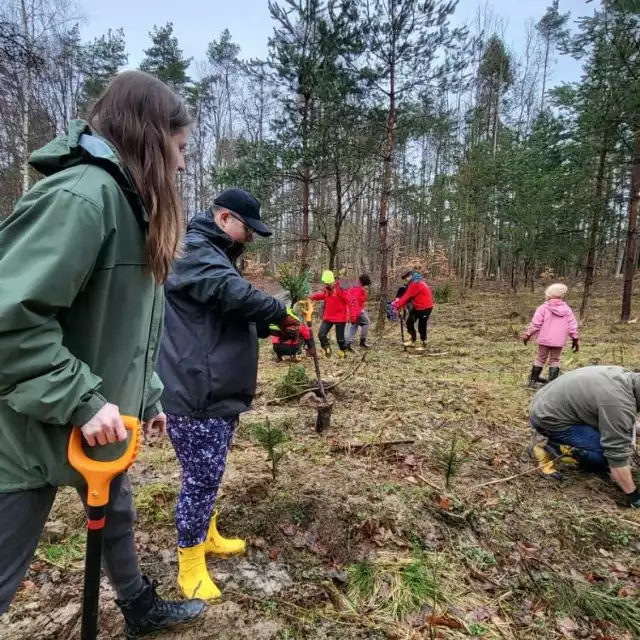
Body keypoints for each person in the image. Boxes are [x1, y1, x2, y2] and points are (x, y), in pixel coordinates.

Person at [0, 71, 205, 637]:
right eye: (180, 149)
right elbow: (9, 320)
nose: (184, 165)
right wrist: (82, 400)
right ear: (149, 136)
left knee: (117, 504)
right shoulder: (81, 199)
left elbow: (123, 326)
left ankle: (137, 605)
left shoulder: (128, 207)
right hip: (22, 435)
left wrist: (149, 395)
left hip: (91, 417)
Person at [156, 187, 300, 600]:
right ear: (223, 219)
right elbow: (231, 294)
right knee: (200, 479)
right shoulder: (194, 251)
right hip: (196, 389)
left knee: (210, 472)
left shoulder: (214, 256)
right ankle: (189, 566)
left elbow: (223, 315)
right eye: (247, 228)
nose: (251, 237)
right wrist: (279, 311)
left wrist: (271, 327)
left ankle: (207, 533)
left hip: (217, 388)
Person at [529, 366, 640, 508]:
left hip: (545, 402)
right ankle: (553, 446)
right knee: (604, 457)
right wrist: (634, 496)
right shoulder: (618, 403)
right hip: (548, 418)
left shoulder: (624, 377)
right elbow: (616, 454)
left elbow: (621, 420)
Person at [522, 283, 579, 388]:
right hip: (559, 341)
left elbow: (536, 324)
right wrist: (575, 338)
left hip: (544, 339)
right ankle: (553, 384)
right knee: (555, 359)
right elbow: (572, 325)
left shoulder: (543, 308)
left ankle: (533, 381)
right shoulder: (567, 310)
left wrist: (528, 334)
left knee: (540, 358)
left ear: (549, 295)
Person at [309, 270, 350, 358]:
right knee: (321, 334)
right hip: (328, 316)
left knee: (340, 340)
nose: (326, 284)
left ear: (332, 280)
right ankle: (327, 348)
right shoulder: (327, 289)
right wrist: (313, 296)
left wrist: (352, 314)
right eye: (325, 283)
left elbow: (349, 300)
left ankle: (343, 351)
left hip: (340, 317)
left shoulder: (341, 288)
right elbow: (323, 295)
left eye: (327, 283)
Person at [392, 270, 434, 352]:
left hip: (425, 307)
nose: (406, 279)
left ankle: (424, 343)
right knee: (409, 322)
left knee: (421, 326)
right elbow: (407, 295)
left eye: (406, 277)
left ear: (411, 275)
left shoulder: (416, 283)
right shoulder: (414, 282)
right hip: (417, 307)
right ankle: (412, 340)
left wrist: (396, 306)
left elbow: (406, 297)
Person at [346, 274, 372, 349]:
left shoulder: (355, 285)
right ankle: (362, 342)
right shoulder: (358, 288)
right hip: (356, 310)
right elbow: (354, 302)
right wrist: (353, 314)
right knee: (366, 322)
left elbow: (360, 299)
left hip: (354, 310)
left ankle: (348, 343)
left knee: (354, 325)